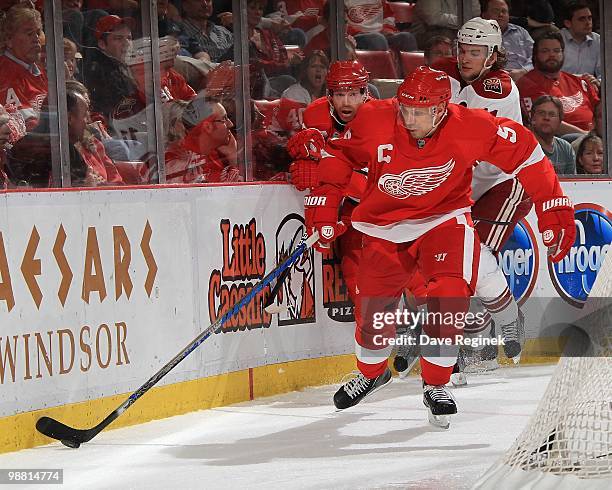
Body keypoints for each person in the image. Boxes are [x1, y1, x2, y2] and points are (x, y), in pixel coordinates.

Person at [298, 66, 575, 427]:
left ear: (442, 109)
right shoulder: (374, 118)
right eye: (405, 109)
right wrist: (324, 203)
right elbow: (340, 156)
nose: (409, 119)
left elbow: (528, 154)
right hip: (384, 224)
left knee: (449, 293)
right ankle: (370, 373)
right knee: (373, 311)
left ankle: (437, 382)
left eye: (419, 111)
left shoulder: (472, 126)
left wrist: (554, 208)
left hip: (445, 219)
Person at [431, 18, 529, 383]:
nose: (466, 58)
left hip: (506, 182)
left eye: (476, 52)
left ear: (493, 55)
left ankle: (480, 346)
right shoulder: (449, 74)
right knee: (452, 261)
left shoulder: (498, 88)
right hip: (465, 187)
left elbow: (457, 136)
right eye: (463, 50)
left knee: (474, 257)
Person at [517, 29, 599, 136]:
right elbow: (546, 122)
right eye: (545, 51)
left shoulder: (579, 81)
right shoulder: (527, 84)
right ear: (535, 55)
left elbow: (601, 112)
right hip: (564, 141)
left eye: (556, 51)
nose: (552, 55)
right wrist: (586, 136)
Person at [164, 97, 240, 184]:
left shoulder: (204, 152)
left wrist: (232, 157)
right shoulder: (172, 161)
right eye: (188, 122)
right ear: (176, 125)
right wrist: (233, 157)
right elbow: (214, 193)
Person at [82, 15, 138, 124]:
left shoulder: (130, 67)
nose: (126, 43)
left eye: (129, 38)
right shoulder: (99, 72)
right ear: (102, 44)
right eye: (118, 38)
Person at [0, 5, 47, 131]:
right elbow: (26, 127)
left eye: (38, 33)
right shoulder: (5, 74)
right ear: (9, 39)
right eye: (29, 33)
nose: (36, 39)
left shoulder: (40, 72)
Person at [481, 0, 534, 81]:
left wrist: (524, 71)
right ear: (484, 15)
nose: (500, 14)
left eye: (504, 11)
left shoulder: (521, 32)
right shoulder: (476, 34)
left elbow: (535, 56)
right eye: (496, 11)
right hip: (490, 80)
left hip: (523, 79)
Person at [530, 95, 576, 174]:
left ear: (559, 121)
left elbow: (573, 184)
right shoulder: (524, 147)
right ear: (533, 118)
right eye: (542, 113)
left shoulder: (566, 148)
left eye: (552, 114)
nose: (546, 118)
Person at [560, 1, 600, 79]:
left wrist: (598, 82)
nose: (588, 23)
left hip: (587, 88)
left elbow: (604, 73)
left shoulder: (597, 40)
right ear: (568, 23)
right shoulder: (557, 39)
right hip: (561, 87)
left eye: (589, 18)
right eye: (582, 19)